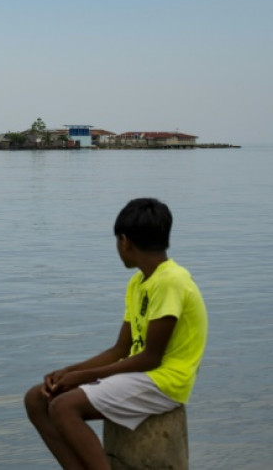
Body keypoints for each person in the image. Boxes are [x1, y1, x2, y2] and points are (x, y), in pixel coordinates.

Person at [24, 198, 208, 470]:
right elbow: (121, 349)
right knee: (38, 398)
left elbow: (151, 358)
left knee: (64, 408)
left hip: (166, 382)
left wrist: (82, 377)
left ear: (125, 241)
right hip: (140, 376)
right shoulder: (139, 282)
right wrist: (67, 371)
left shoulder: (171, 281)